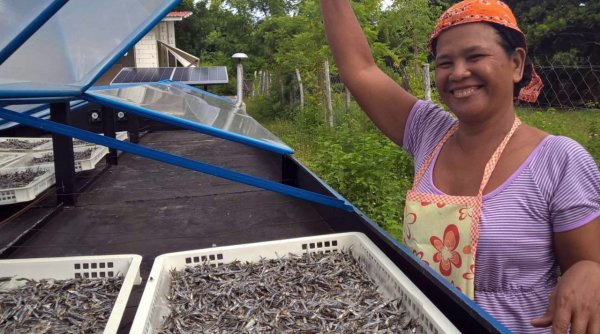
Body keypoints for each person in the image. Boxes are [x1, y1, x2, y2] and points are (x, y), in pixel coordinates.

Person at [319, 0, 600, 332]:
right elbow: (360, 70)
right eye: (445, 62)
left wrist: (589, 271)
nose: (458, 73)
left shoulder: (558, 160)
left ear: (516, 63)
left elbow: (587, 263)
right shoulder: (428, 132)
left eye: (475, 56)